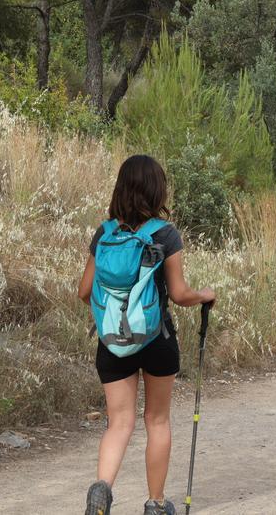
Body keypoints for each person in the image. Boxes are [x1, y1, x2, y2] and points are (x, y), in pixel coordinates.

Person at [78, 155, 217, 515]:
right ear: (157, 189)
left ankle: (101, 490)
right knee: (156, 420)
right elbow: (181, 293)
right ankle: (155, 504)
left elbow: (83, 290)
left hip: (111, 341)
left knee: (118, 422)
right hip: (156, 339)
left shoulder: (105, 234)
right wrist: (205, 294)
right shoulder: (164, 234)